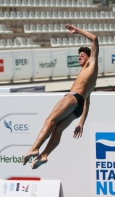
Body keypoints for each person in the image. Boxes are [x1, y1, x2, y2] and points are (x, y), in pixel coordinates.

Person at [23, 24, 99, 169]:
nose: (79, 57)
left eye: (82, 55)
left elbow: (94, 39)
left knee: (50, 121)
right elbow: (87, 103)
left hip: (73, 98)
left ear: (90, 57)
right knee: (58, 129)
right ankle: (44, 155)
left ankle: (35, 147)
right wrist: (81, 123)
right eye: (79, 56)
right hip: (78, 107)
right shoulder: (90, 79)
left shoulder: (92, 65)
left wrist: (77, 31)